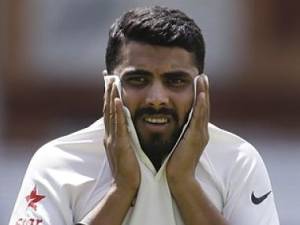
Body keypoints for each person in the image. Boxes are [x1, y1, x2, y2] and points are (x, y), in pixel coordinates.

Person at [9, 6, 279, 225]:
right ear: (109, 85)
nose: (157, 98)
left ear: (201, 88)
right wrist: (121, 190)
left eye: (175, 81)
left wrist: (184, 184)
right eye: (138, 79)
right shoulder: (58, 162)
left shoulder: (238, 160)